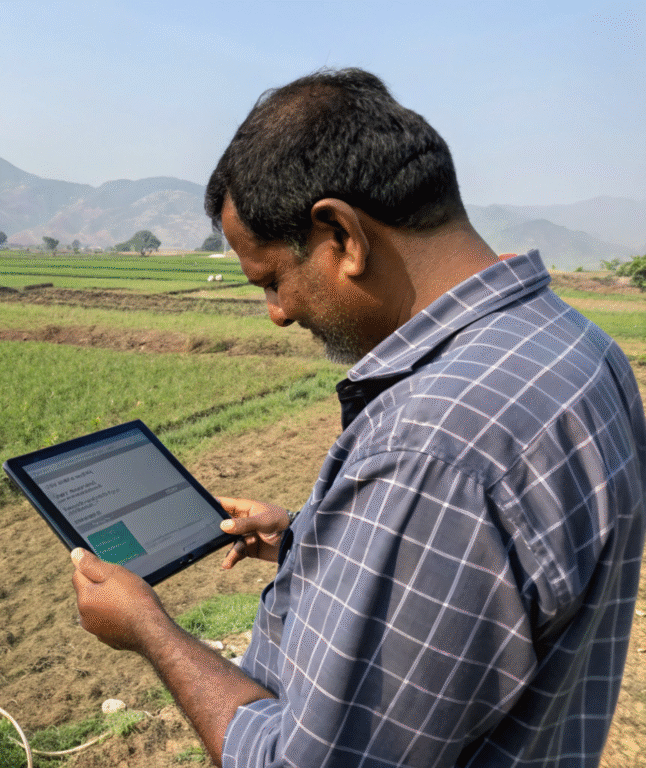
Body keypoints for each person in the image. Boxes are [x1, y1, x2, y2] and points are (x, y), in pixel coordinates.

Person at [70, 67, 646, 767]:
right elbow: (491, 594)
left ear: (342, 234)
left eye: (272, 280)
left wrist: (151, 632)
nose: (277, 313)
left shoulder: (429, 449)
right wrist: (314, 541)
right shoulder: (577, 346)